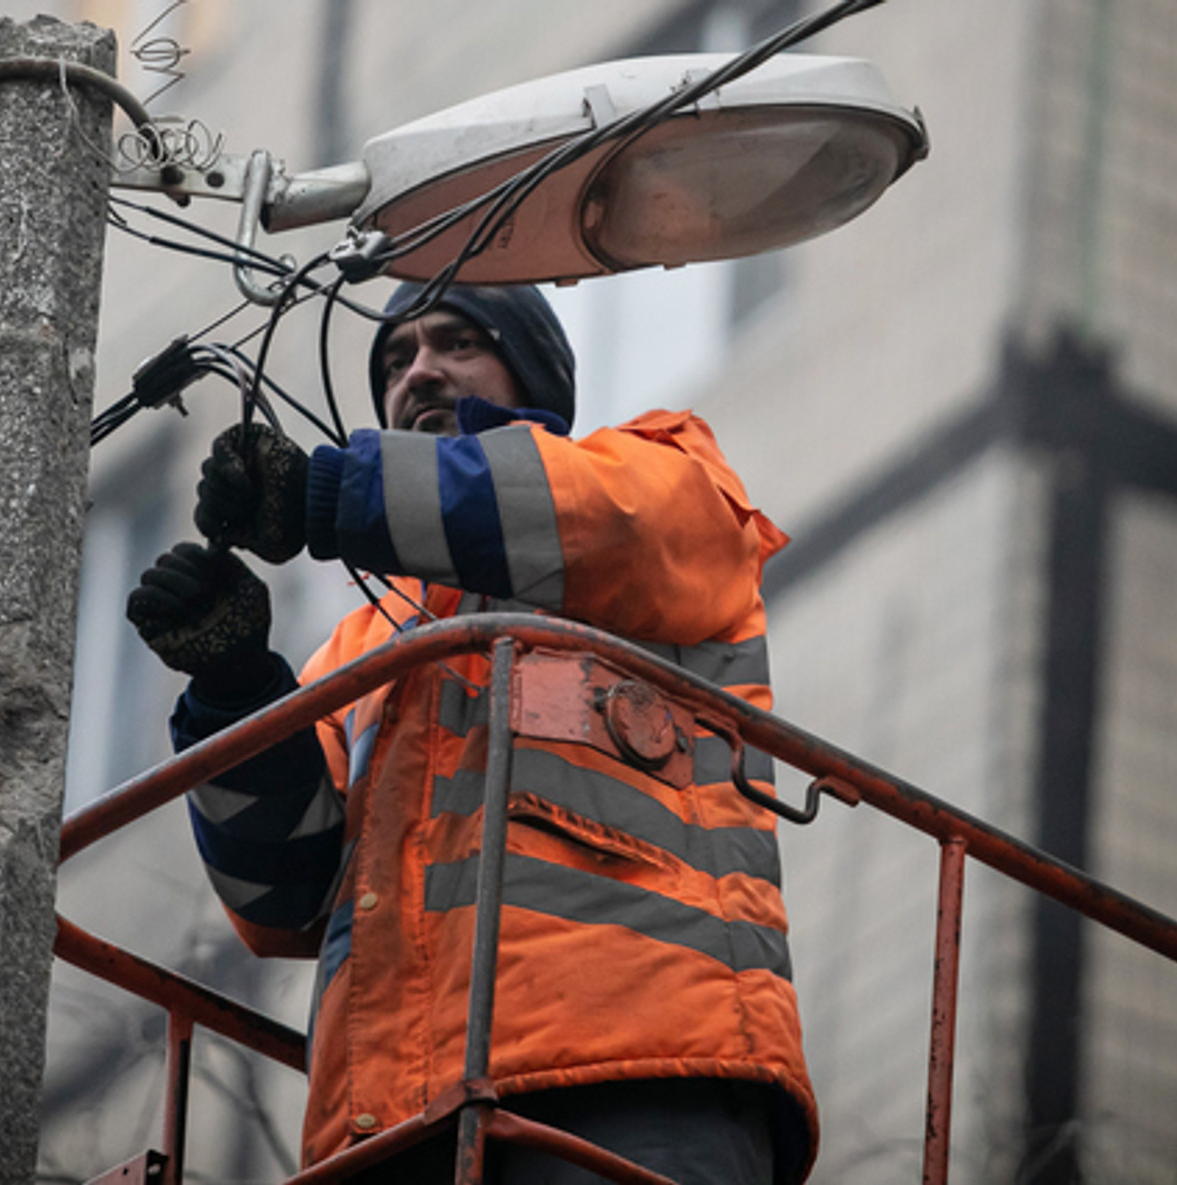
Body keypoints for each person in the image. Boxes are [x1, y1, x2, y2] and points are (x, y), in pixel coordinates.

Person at [126, 282, 816, 1184]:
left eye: (456, 341)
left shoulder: (665, 479)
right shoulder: (362, 648)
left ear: (528, 375)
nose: (419, 371)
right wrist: (234, 687)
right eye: (396, 358)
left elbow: (574, 513)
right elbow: (282, 896)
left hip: (641, 1079)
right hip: (394, 1123)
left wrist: (330, 493)